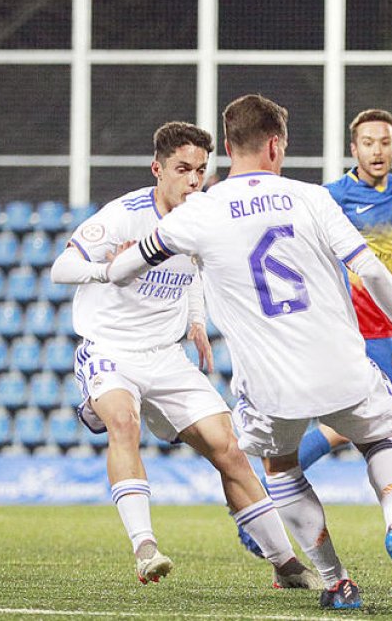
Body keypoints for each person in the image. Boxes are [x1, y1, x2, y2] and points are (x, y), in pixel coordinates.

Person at [105, 95, 392, 611]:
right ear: (275, 144)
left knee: (282, 469)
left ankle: (337, 581)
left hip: (269, 383)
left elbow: (129, 267)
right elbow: (372, 270)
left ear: (228, 147)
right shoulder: (311, 197)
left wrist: (112, 265)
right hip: (341, 362)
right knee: (381, 439)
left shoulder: (200, 211)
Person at [50, 122, 317, 588]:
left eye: (200, 170)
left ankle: (287, 565)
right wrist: (107, 269)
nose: (193, 180)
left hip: (166, 355)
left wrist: (196, 319)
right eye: (182, 169)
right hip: (110, 348)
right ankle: (145, 547)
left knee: (229, 450)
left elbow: (193, 268)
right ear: (158, 169)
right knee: (124, 422)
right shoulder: (123, 215)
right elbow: (62, 267)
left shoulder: (201, 215)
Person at [242, 108, 392, 568]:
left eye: (385, 142)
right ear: (352, 149)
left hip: (382, 328)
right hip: (353, 329)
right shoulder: (330, 196)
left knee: (381, 425)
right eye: (368, 143)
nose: (377, 151)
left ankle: (271, 488)